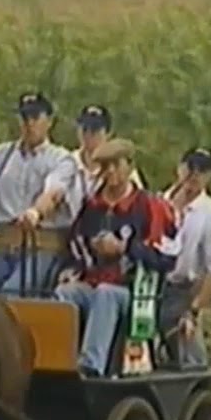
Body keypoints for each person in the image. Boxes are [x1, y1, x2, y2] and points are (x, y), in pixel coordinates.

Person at [53, 139, 180, 377]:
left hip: (132, 291)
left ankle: (91, 366)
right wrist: (75, 267)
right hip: (93, 282)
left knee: (106, 293)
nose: (110, 172)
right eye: (104, 166)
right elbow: (76, 243)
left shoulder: (150, 206)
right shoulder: (92, 206)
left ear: (130, 166)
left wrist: (126, 248)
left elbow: (168, 256)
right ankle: (58, 362)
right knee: (65, 293)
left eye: (115, 165)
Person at [0, 92, 75, 295]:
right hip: (2, 245)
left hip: (41, 248)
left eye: (35, 118)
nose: (29, 124)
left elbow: (53, 194)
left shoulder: (61, 159)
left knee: (12, 292)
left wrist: (35, 213)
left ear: (49, 122)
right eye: (24, 118)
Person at [158, 146, 211, 368]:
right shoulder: (157, 202)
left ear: (210, 176)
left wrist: (193, 310)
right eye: (190, 167)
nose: (194, 174)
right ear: (179, 168)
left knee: (189, 357)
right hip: (150, 286)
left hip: (183, 291)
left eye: (201, 170)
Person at [19, 104, 143, 239]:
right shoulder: (66, 162)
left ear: (108, 134)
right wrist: (36, 212)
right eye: (84, 129)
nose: (88, 135)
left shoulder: (120, 170)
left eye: (95, 130)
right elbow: (53, 192)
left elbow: (137, 205)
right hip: (70, 239)